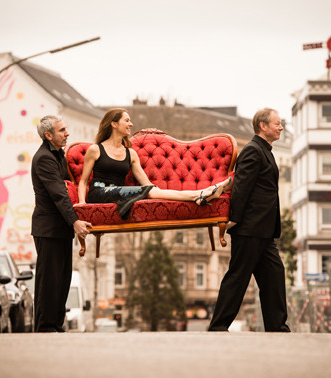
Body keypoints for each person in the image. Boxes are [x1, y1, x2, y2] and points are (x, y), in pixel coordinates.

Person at [208, 108, 290, 332]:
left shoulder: (265, 150)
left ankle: (277, 327)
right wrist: (232, 220)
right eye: (277, 123)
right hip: (250, 229)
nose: (281, 127)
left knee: (274, 275)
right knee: (238, 278)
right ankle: (218, 326)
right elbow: (242, 188)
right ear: (263, 126)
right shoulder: (253, 151)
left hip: (263, 230)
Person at [77, 108, 232, 218]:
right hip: (99, 193)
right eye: (127, 120)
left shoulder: (131, 154)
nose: (131, 124)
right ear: (114, 124)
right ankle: (199, 195)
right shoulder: (95, 149)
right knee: (148, 191)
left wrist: (161, 192)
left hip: (119, 193)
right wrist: (83, 206)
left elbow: (147, 184)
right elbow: (83, 181)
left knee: (149, 190)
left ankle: (200, 195)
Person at [31, 115, 92, 332]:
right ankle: (46, 327)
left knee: (63, 280)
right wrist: (75, 222)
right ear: (48, 135)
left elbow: (71, 188)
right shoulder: (44, 158)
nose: (67, 133)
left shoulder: (58, 155)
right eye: (62, 130)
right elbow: (59, 195)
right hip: (48, 229)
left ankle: (55, 325)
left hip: (60, 229)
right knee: (50, 282)